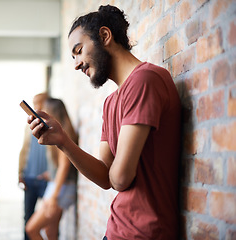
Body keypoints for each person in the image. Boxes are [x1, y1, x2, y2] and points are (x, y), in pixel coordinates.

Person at [27, 5, 181, 240]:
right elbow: (106, 176)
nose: (77, 63)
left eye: (79, 50)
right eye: (73, 57)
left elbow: (119, 179)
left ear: (105, 36)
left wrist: (114, 170)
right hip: (116, 230)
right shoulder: (111, 103)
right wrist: (63, 141)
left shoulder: (145, 80)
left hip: (146, 233)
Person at [25, 98, 78, 240]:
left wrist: (54, 197)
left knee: (31, 229)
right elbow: (62, 164)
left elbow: (64, 165)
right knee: (50, 232)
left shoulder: (62, 134)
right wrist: (51, 174)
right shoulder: (62, 132)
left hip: (61, 189)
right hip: (60, 185)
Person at [18, 93, 49, 240]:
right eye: (34, 103)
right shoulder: (29, 126)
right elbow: (24, 150)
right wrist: (20, 173)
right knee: (28, 216)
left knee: (48, 221)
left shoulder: (52, 126)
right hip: (29, 177)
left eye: (40, 103)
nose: (36, 107)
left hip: (46, 180)